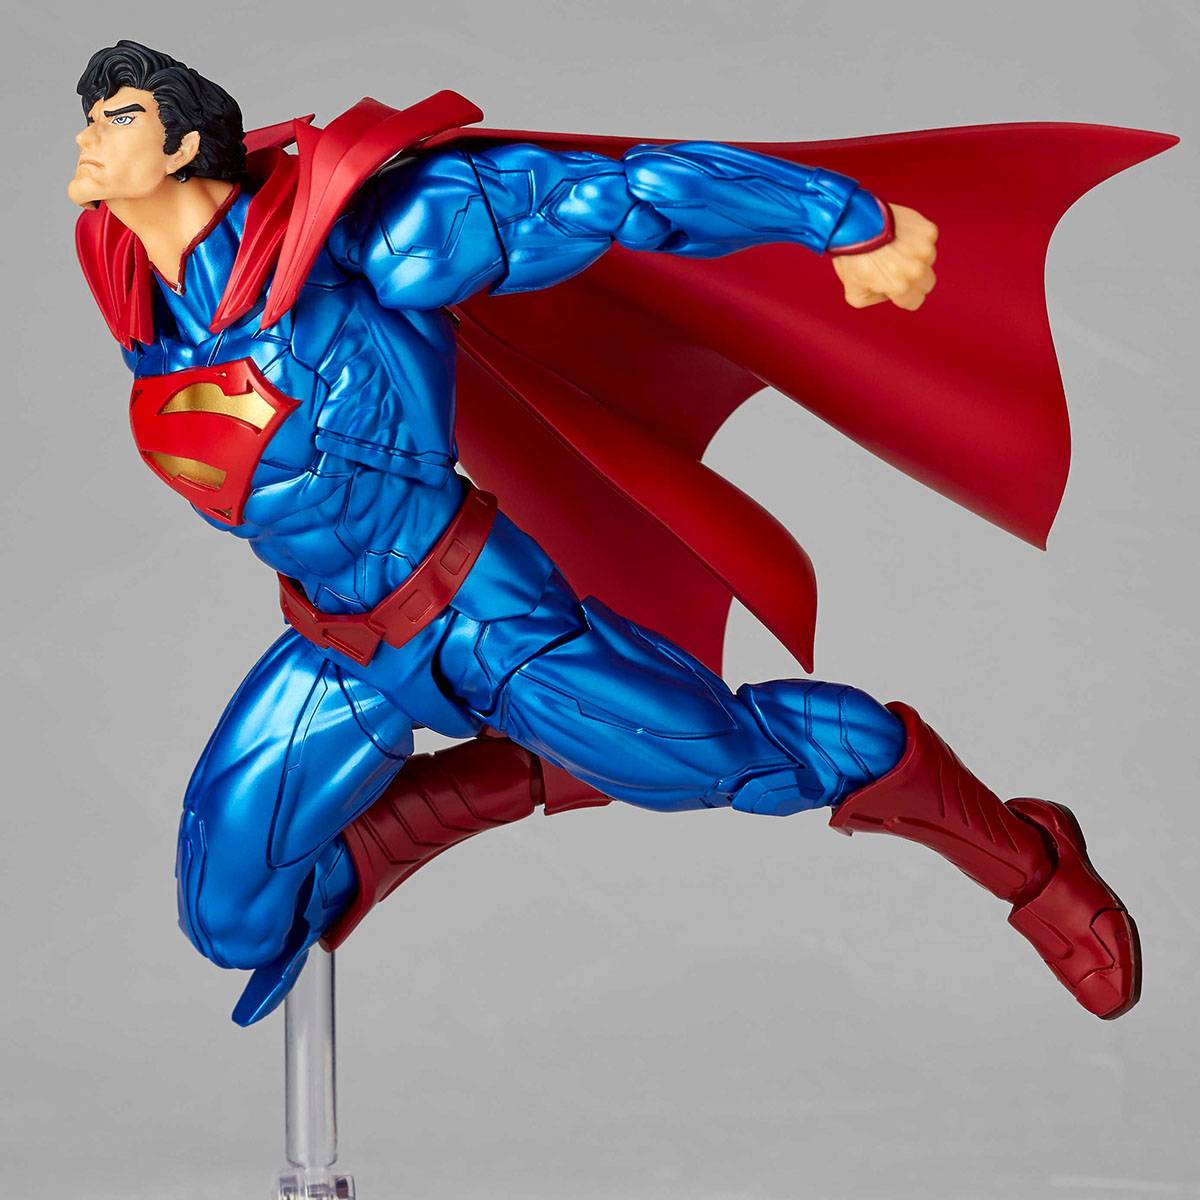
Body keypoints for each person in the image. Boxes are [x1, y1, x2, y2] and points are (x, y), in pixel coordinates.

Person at [72, 39, 1149, 1026]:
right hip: (337, 647)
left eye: (117, 117)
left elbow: (613, 195)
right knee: (236, 923)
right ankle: (497, 786)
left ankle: (1031, 860)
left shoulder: (361, 243)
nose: (87, 136)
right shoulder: (144, 302)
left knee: (735, 763)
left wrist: (837, 216)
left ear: (184, 145)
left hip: (483, 622)